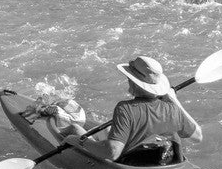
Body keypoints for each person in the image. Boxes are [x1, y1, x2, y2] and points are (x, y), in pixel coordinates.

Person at [65, 55, 202, 163]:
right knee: (107, 129)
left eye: (129, 78)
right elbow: (197, 136)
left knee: (75, 130)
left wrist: (79, 141)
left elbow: (112, 152)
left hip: (131, 164)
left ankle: (64, 131)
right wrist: (174, 100)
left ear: (134, 82)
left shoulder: (125, 109)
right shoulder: (173, 109)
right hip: (166, 162)